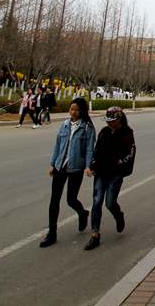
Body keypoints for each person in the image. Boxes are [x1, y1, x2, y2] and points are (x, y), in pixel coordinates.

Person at [40, 97, 96, 248]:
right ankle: (52, 233)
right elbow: (58, 145)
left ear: (82, 110)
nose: (73, 112)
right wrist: (53, 164)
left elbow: (90, 148)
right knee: (54, 200)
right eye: (71, 109)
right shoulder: (64, 125)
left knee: (71, 199)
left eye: (76, 109)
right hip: (60, 166)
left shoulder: (87, 127)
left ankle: (83, 213)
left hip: (76, 167)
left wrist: (88, 166)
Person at [84, 106, 136, 250]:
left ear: (119, 120)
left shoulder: (127, 133)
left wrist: (121, 163)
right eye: (108, 121)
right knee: (96, 201)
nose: (109, 123)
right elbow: (96, 150)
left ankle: (118, 215)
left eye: (112, 121)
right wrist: (92, 165)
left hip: (116, 173)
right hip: (101, 172)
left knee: (110, 202)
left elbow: (130, 153)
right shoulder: (104, 132)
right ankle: (95, 234)